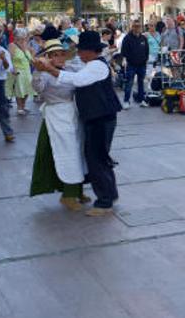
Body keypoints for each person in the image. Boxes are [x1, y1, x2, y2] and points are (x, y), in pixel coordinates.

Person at [33, 30, 122, 216]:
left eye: (81, 50)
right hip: (88, 118)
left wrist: (49, 69)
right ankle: (107, 196)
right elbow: (67, 74)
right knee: (96, 157)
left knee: (97, 159)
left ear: (90, 51)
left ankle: (104, 202)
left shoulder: (96, 67)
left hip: (100, 118)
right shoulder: (87, 64)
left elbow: (78, 80)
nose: (78, 54)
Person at [30, 39, 90, 211]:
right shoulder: (45, 74)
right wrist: (37, 71)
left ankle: (76, 190)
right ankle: (68, 195)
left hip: (73, 114)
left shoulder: (70, 68)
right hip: (56, 117)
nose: (60, 57)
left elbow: (84, 75)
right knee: (66, 153)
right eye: (55, 55)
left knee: (77, 151)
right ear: (48, 57)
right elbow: (38, 88)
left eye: (62, 54)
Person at [6, 28, 35, 115]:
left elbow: (31, 56)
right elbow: (9, 58)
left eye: (24, 37)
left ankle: (23, 105)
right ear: (15, 37)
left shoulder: (26, 45)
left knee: (27, 89)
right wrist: (12, 68)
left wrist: (33, 57)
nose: (23, 39)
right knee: (19, 90)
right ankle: (19, 107)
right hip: (18, 70)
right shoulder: (12, 45)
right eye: (20, 38)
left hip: (27, 70)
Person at [121, 20, 149, 109]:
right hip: (131, 65)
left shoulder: (143, 38)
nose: (137, 28)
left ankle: (141, 100)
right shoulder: (127, 38)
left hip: (142, 65)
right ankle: (126, 101)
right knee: (129, 83)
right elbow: (124, 51)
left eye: (139, 26)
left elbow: (146, 51)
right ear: (132, 27)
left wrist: (146, 60)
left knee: (141, 83)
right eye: (135, 26)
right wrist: (125, 61)